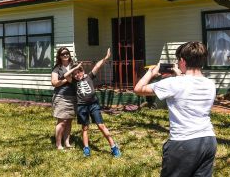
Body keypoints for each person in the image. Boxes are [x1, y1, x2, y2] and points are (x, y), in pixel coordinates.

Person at [134, 42, 217, 177]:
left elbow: (139, 89)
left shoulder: (173, 83)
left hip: (183, 143)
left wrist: (150, 73)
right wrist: (178, 75)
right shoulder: (210, 84)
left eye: (178, 60)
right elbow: (189, 86)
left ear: (183, 61)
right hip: (208, 140)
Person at [71, 48, 121, 157]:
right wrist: (73, 69)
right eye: (74, 74)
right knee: (84, 128)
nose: (77, 75)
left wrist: (106, 58)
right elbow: (66, 76)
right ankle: (86, 148)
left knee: (101, 125)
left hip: (93, 105)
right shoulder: (73, 82)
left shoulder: (89, 76)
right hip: (81, 107)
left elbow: (97, 66)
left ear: (82, 71)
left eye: (78, 72)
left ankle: (113, 146)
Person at [51, 47, 82, 150]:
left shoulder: (73, 66)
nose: (65, 55)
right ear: (59, 56)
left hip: (73, 96)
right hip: (61, 97)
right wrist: (66, 80)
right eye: (63, 54)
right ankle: (58, 144)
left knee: (69, 120)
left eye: (67, 53)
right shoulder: (57, 68)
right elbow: (54, 83)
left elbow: (79, 77)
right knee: (62, 121)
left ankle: (67, 142)